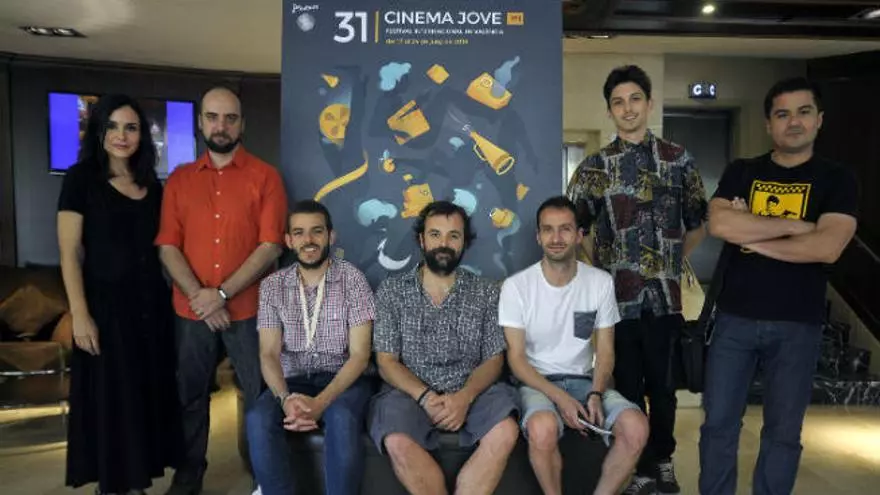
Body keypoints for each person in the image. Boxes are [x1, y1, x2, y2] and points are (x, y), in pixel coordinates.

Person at [701, 77, 858, 495]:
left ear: (819, 120)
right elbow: (720, 224)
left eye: (804, 112)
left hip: (798, 325)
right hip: (734, 320)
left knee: (783, 433)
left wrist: (751, 233)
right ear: (769, 124)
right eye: (782, 114)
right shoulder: (742, 171)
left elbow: (827, 247)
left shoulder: (837, 179)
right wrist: (796, 227)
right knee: (718, 425)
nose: (794, 122)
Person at [566, 65, 708, 494]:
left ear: (648, 103)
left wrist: (669, 261)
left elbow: (698, 222)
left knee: (664, 388)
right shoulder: (595, 167)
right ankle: (635, 465)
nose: (627, 109)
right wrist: (603, 266)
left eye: (634, 99)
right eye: (618, 102)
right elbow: (576, 228)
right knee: (626, 387)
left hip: (665, 298)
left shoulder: (678, 159)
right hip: (617, 301)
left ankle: (660, 462)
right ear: (609, 110)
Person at [156, 87, 288, 495]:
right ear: (200, 123)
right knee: (190, 396)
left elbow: (271, 246)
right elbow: (167, 246)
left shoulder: (266, 177)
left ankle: (263, 478)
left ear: (242, 125)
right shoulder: (179, 180)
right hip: (191, 310)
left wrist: (222, 295)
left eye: (230, 118)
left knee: (259, 396)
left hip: (249, 310)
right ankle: (189, 476)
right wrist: (202, 297)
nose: (221, 126)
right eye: (213, 117)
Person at [57, 94, 181, 495]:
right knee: (112, 400)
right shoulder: (80, 179)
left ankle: (137, 483)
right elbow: (70, 252)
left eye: (131, 127)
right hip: (104, 310)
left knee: (143, 398)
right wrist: (80, 314)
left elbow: (163, 252)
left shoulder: (153, 186)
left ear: (143, 135)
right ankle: (111, 486)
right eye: (112, 126)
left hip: (150, 308)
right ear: (99, 130)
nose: (121, 136)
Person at [500, 196, 650, 495]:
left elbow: (605, 351)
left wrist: (596, 392)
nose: (556, 238)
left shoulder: (600, 282)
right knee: (542, 428)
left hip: (585, 380)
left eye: (565, 229)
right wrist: (561, 398)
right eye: (548, 230)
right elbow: (516, 360)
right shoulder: (516, 287)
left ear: (580, 235)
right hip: (536, 383)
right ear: (538, 236)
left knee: (636, 427)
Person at [369, 201, 520, 495]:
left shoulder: (486, 291)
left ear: (464, 242)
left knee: (506, 430)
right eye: (435, 234)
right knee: (396, 438)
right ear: (421, 240)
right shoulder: (391, 291)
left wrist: (464, 397)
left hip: (473, 391)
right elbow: (386, 361)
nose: (444, 244)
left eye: (454, 236)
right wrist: (425, 397)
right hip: (408, 393)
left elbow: (494, 359)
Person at [247, 200, 376, 495]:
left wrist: (321, 403)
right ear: (288, 240)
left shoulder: (354, 280)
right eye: (299, 233)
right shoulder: (272, 286)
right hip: (292, 380)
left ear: (331, 236)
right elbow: (268, 353)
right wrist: (284, 399)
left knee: (341, 417)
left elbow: (360, 356)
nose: (309, 240)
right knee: (257, 418)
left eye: (317, 231)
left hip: (343, 378)